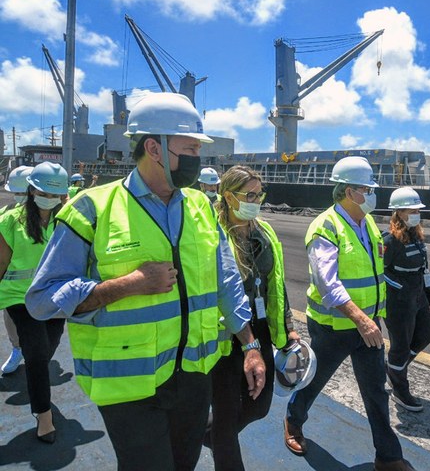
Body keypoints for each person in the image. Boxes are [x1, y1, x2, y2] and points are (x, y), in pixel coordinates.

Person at [25, 92, 266, 470]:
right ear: (154, 148)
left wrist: (250, 344)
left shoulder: (201, 207)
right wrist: (129, 284)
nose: (197, 159)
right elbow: (41, 301)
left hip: (192, 377)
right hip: (128, 385)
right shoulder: (92, 209)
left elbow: (227, 281)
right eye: (189, 148)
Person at [284, 156, 415, 471]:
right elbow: (327, 283)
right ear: (346, 191)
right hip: (335, 327)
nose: (371, 194)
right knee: (315, 379)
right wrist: (360, 318)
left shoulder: (367, 222)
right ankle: (293, 420)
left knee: (375, 392)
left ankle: (388, 457)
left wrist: (374, 318)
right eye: (366, 189)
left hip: (367, 323)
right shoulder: (325, 227)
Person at [208, 165, 301, 471]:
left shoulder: (264, 230)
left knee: (258, 406)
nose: (256, 199)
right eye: (249, 194)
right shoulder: (213, 235)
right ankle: (220, 439)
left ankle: (202, 431)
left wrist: (287, 325)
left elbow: (277, 283)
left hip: (259, 330)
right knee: (225, 414)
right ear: (229, 196)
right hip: (225, 334)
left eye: (259, 193)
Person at [0, 161, 69, 443]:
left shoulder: (67, 219)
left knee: (48, 347)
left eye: (55, 195)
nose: (49, 200)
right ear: (31, 191)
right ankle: (44, 416)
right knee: (38, 352)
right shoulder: (10, 221)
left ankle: (35, 376)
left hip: (55, 297)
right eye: (44, 193)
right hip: (19, 298)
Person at [382, 187, 430, 413]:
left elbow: (424, 268)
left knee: (425, 335)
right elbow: (380, 272)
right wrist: (402, 288)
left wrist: (429, 292)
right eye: (412, 209)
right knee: (401, 346)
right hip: (398, 302)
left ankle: (393, 369)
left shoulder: (416, 236)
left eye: (418, 209)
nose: (417, 213)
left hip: (418, 297)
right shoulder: (388, 240)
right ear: (400, 212)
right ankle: (399, 388)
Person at [0, 165, 33, 375]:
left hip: (39, 288)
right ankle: (17, 349)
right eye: (17, 192)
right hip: (12, 288)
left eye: (24, 192)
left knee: (43, 336)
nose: (20, 197)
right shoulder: (4, 214)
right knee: (12, 324)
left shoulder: (47, 217)